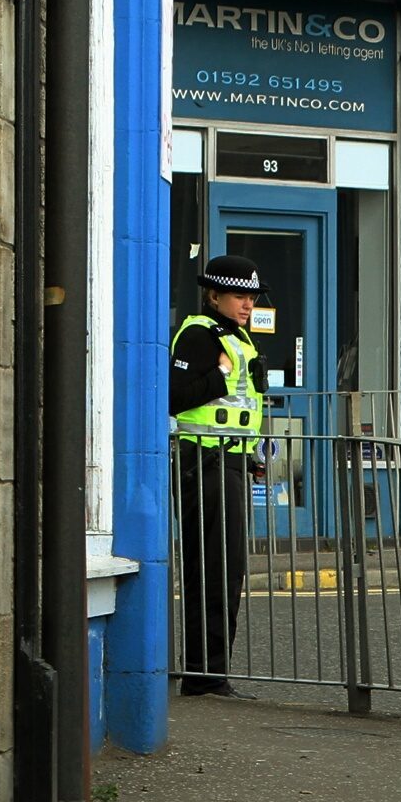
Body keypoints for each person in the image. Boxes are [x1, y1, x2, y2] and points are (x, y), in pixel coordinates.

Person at [169, 255, 268, 697]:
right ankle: (201, 673)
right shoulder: (197, 334)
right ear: (214, 295)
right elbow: (174, 397)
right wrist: (221, 378)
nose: (247, 304)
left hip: (232, 462)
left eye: (250, 297)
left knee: (228, 571)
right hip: (202, 461)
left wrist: (255, 456)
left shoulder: (239, 338)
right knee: (209, 568)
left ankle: (213, 671)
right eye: (238, 296)